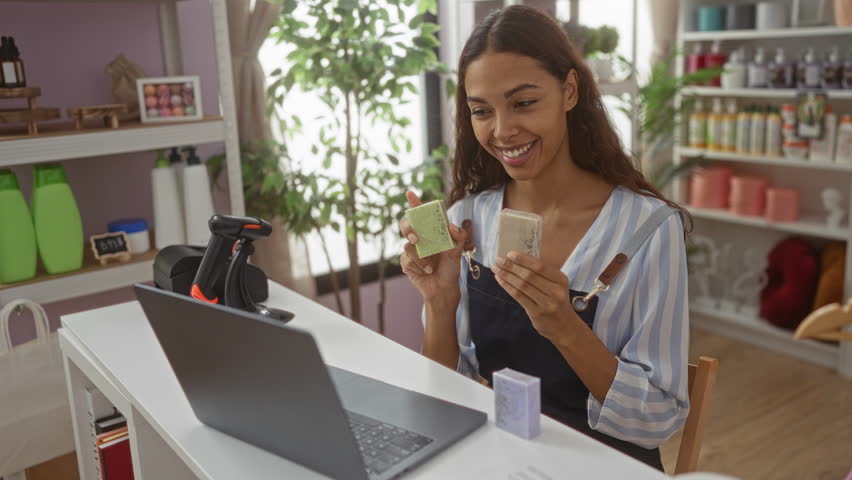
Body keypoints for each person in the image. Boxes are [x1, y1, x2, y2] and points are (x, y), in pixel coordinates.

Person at [398, 5, 690, 471]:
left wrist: (564, 326)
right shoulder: (468, 218)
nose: (503, 130)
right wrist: (440, 302)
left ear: (569, 91)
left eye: (524, 102)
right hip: (502, 460)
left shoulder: (647, 230)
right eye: (481, 111)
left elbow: (657, 418)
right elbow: (447, 393)